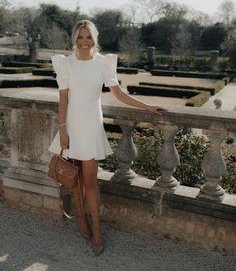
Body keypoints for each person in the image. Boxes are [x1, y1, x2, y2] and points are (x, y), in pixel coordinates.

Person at [49, 20, 167, 255]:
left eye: (88, 37)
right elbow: (63, 99)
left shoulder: (103, 63)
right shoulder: (66, 64)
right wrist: (63, 130)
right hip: (72, 125)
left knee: (90, 183)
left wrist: (147, 107)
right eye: (80, 37)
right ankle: (81, 220)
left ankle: (98, 231)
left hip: (92, 126)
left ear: (95, 38)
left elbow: (119, 94)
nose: (84, 42)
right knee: (74, 178)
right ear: (74, 39)